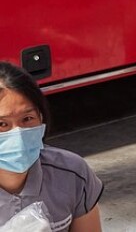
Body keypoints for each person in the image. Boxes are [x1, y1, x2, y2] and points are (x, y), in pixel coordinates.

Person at [0, 62, 103, 231]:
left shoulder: (72, 174)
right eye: (2, 124)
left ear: (41, 117)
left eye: (27, 119)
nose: (18, 135)